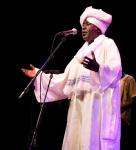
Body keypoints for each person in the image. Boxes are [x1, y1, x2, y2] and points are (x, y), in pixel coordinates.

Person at [21, 6, 122, 150]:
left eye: (87, 24)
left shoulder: (108, 44)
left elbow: (116, 72)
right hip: (78, 108)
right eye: (83, 24)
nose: (83, 27)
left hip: (96, 108)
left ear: (98, 27)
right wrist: (39, 75)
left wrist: (98, 68)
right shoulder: (80, 53)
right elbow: (65, 79)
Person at [120, 72, 136, 150]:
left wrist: (120, 107)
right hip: (111, 118)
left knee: (123, 142)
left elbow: (135, 99)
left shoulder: (129, 79)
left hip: (123, 118)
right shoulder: (111, 79)